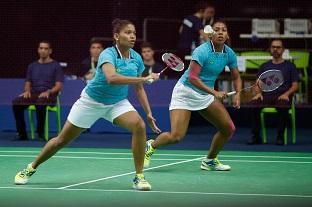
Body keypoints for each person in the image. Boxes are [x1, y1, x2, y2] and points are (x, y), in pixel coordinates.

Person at [14, 19, 161, 191]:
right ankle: (30, 168)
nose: (132, 36)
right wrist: (144, 78)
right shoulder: (108, 54)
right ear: (116, 36)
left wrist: (149, 113)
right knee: (61, 141)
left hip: (117, 103)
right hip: (91, 102)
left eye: (134, 33)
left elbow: (139, 88)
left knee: (139, 125)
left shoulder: (136, 58)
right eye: (127, 32)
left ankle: (139, 176)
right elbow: (111, 78)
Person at [144, 20, 242, 171]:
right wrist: (215, 92)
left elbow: (236, 77)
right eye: (217, 30)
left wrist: (238, 94)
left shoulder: (229, 54)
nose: (221, 32)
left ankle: (209, 160)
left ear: (227, 34)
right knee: (176, 136)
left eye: (224, 30)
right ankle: (152, 145)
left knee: (228, 128)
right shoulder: (201, 51)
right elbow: (193, 78)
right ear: (210, 34)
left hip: (205, 94)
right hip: (186, 92)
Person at [247, 39, 299, 145]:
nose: (275, 49)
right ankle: (256, 136)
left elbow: (295, 85)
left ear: (283, 50)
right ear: (270, 49)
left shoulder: (290, 66)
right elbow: (258, 84)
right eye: (273, 47)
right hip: (266, 95)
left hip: (282, 96)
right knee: (253, 105)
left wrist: (286, 94)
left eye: (278, 47)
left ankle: (280, 137)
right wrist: (258, 93)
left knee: (283, 106)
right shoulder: (264, 66)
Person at [12, 41, 64, 140]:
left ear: (50, 51)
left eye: (45, 48)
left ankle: (40, 133)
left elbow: (58, 86)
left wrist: (49, 92)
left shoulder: (56, 66)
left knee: (41, 103)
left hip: (49, 95)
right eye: (41, 48)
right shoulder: (32, 66)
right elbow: (28, 82)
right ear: (38, 50)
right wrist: (27, 91)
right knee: (16, 103)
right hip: (34, 93)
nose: (43, 50)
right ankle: (22, 133)